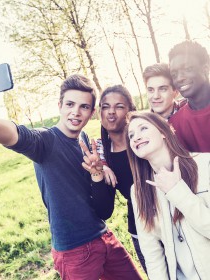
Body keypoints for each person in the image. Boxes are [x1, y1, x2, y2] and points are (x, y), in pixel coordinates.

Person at [0, 72, 142, 280]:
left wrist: (101, 169)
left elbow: (100, 200)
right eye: (70, 104)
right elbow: (14, 134)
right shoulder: (45, 141)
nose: (76, 112)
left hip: (105, 237)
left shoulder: (83, 139)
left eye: (84, 107)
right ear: (59, 106)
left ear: (91, 112)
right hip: (75, 252)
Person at [126, 111, 210, 280]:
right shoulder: (138, 191)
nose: (136, 137)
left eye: (143, 128)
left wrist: (177, 191)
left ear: (164, 132)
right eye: (131, 135)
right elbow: (152, 254)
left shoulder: (205, 165)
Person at [93, 85, 147, 273]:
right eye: (105, 106)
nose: (111, 112)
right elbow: (104, 211)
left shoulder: (144, 137)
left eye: (119, 106)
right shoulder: (99, 152)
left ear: (130, 111)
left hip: (172, 218)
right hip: (140, 229)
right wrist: (99, 172)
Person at [168, 40, 210, 152]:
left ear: (205, 69)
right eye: (174, 74)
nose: (179, 78)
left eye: (187, 69)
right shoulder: (174, 125)